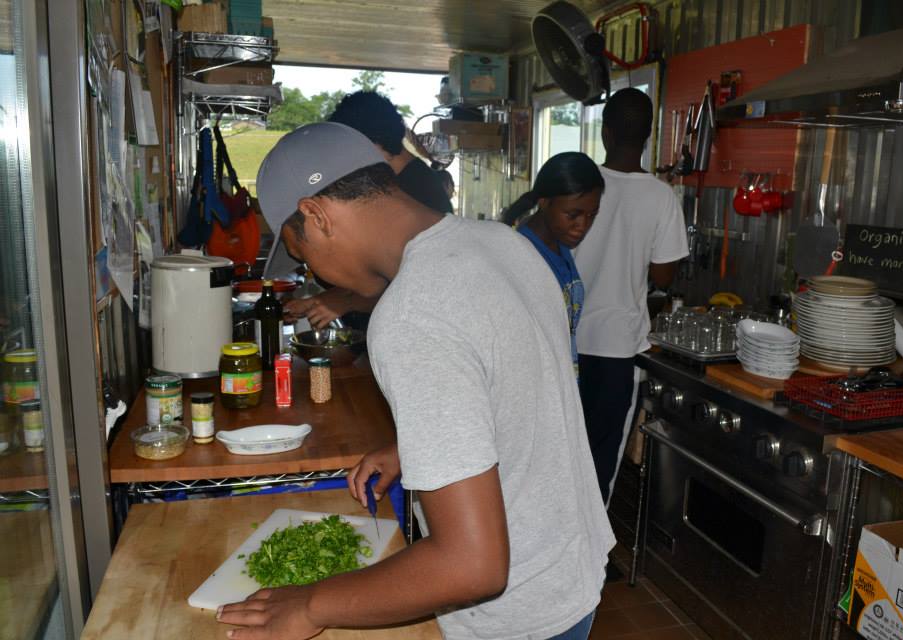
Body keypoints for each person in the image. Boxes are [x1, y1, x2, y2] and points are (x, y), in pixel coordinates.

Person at [218, 122, 615, 640]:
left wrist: (310, 606)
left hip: (518, 614)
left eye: (301, 253)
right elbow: (518, 390)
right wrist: (425, 445)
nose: (314, 273)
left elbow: (471, 565)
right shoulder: (502, 242)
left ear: (316, 214)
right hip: (571, 569)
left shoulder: (410, 315)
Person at [573, 88, 689, 505]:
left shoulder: (579, 182)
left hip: (562, 341)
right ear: (649, 135)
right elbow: (663, 275)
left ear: (605, 132)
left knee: (557, 452)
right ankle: (590, 544)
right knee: (600, 464)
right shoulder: (661, 196)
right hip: (618, 350)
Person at [273, 91, 454, 329]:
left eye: (346, 149)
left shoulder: (417, 191)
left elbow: (417, 285)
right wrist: (323, 300)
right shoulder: (394, 183)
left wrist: (345, 302)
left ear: (370, 143)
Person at [501, 152, 604, 369]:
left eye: (591, 215)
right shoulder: (524, 255)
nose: (582, 226)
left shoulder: (559, 246)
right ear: (544, 202)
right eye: (572, 215)